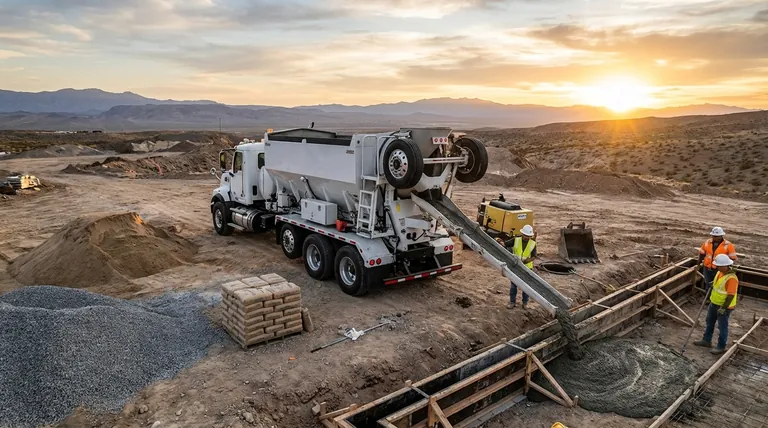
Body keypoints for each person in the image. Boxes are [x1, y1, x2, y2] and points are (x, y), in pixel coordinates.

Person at [694, 254, 739, 355]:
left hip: (724, 306)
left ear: (725, 265)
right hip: (714, 303)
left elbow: (730, 295)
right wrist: (712, 283)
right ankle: (706, 340)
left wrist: (723, 308)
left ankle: (721, 346)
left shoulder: (732, 278)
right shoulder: (720, 272)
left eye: (718, 265)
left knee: (722, 326)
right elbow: (718, 285)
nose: (716, 267)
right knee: (709, 322)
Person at [507, 224, 537, 310]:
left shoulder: (532, 243)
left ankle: (525, 303)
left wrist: (526, 261)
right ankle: (512, 302)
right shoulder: (516, 240)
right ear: (522, 234)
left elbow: (534, 256)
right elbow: (506, 244)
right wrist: (500, 241)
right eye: (525, 235)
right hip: (515, 266)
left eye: (528, 236)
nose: (526, 237)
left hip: (527, 268)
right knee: (513, 286)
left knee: (526, 287)